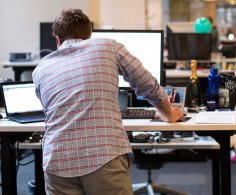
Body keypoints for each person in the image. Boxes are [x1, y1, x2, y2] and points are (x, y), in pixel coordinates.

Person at [32, 9, 183, 195]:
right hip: (102, 156)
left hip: (57, 160)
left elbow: (50, 110)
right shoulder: (108, 46)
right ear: (89, 35)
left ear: (58, 39)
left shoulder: (40, 69)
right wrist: (168, 114)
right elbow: (147, 85)